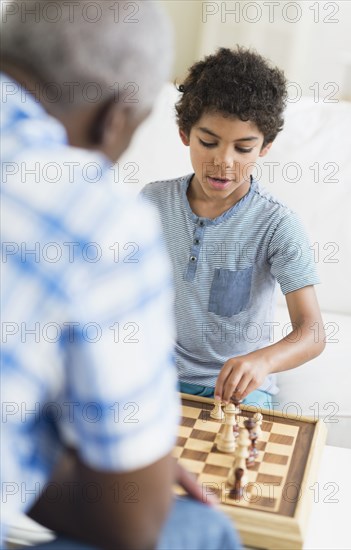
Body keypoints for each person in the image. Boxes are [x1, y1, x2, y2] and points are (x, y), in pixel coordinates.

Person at [0, 2, 242, 549]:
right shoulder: (101, 214)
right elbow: (130, 526)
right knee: (200, 526)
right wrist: (126, 479)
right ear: (115, 116)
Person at [141, 47, 326, 408]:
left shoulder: (277, 224)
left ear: (266, 147)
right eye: (208, 142)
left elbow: (313, 331)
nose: (223, 162)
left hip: (240, 391)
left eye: (243, 148)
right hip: (157, 378)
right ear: (184, 134)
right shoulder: (152, 202)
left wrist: (263, 361)